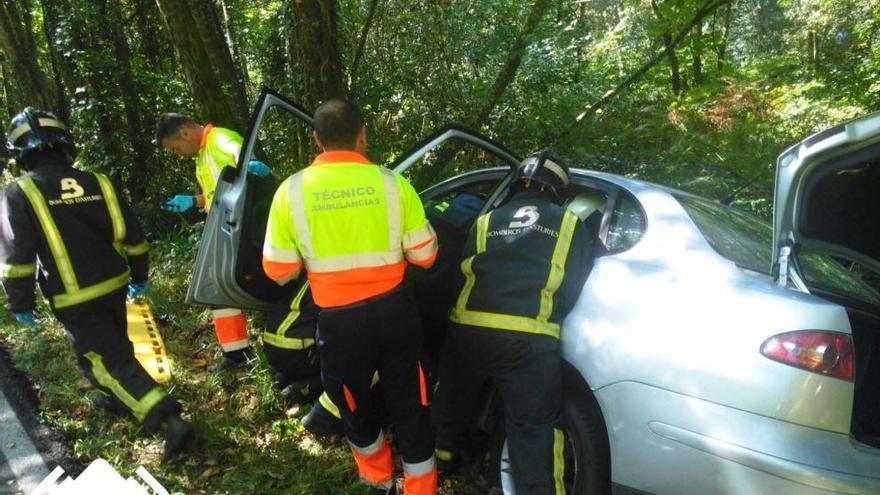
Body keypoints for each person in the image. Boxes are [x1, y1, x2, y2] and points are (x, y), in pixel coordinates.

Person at [262, 98, 439, 495]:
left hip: (339, 323)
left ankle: (376, 480)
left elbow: (279, 270)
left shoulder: (291, 191)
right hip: (396, 315)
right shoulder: (393, 184)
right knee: (411, 402)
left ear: (317, 139)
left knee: (352, 401)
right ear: (363, 136)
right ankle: (420, 489)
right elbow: (426, 257)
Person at [0, 108, 195, 458]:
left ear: (21, 154)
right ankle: (117, 398)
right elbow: (132, 237)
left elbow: (18, 257)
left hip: (74, 297)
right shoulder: (99, 182)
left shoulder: (19, 193)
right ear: (63, 144)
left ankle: (166, 417)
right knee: (116, 346)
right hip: (115, 283)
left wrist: (20, 303)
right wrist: (140, 275)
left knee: (100, 361)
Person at [432, 150, 596, 494]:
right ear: (557, 190)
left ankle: (439, 459)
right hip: (526, 337)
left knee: (452, 398)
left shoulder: (486, 220)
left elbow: (463, 271)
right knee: (533, 426)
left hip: (468, 330)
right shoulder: (569, 224)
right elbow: (573, 283)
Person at [155, 113, 270, 370]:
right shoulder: (202, 159)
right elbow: (213, 196)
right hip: (227, 229)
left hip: (242, 229)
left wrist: (248, 165)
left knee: (225, 286)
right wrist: (192, 201)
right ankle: (237, 352)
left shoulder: (218, 138)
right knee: (220, 289)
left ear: (185, 133)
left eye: (176, 148)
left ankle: (240, 353)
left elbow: (240, 151)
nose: (179, 154)